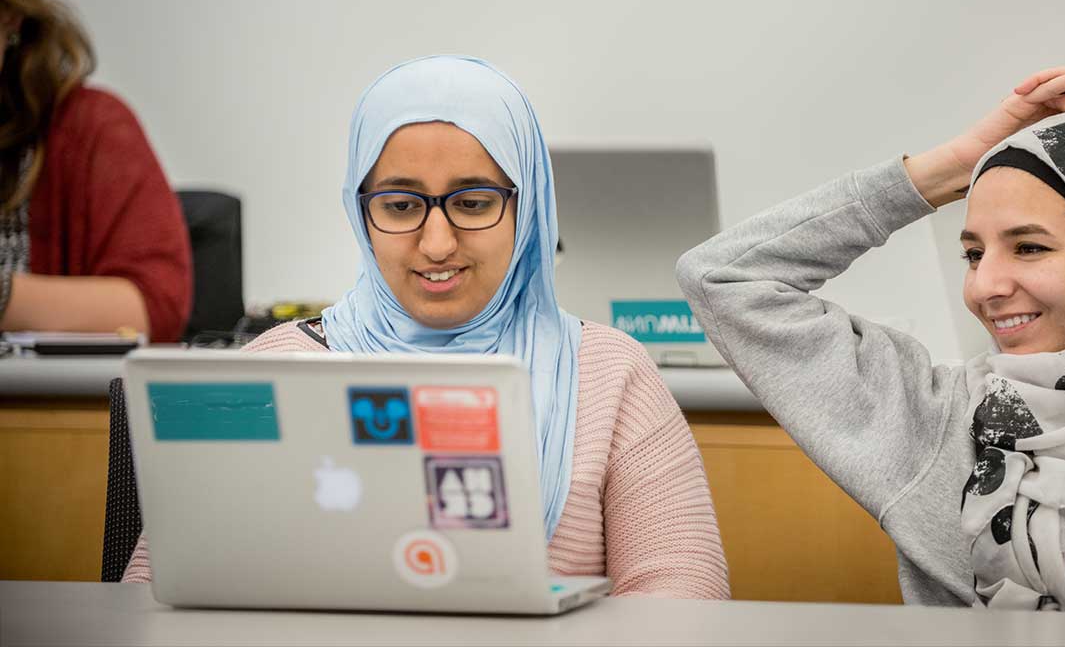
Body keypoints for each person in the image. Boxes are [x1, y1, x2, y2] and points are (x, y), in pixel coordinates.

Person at [123, 55, 730, 598]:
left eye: (472, 202)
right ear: (360, 212)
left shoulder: (609, 375)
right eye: (400, 205)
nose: (437, 244)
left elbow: (682, 599)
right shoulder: (269, 375)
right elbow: (158, 592)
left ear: (529, 207)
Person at [677, 60, 1065, 609]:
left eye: (1029, 247)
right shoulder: (937, 421)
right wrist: (951, 168)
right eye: (973, 254)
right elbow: (722, 278)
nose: (985, 286)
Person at [0, 0, 191, 342]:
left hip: (37, 407)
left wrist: (5, 296)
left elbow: (156, 306)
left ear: (10, 16)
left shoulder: (89, 128)